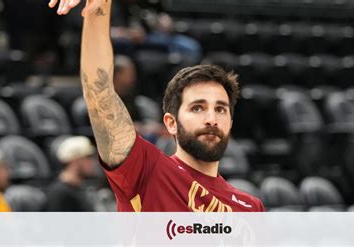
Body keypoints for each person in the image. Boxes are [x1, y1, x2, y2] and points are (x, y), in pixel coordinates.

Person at [48, 0, 265, 212]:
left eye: (220, 109)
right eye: (197, 108)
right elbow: (99, 93)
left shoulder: (251, 208)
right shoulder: (147, 170)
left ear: (230, 122)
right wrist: (99, 8)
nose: (211, 118)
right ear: (171, 123)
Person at [46, 136, 96, 211]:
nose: (92, 162)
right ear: (75, 160)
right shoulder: (59, 194)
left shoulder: (79, 190)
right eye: (87, 157)